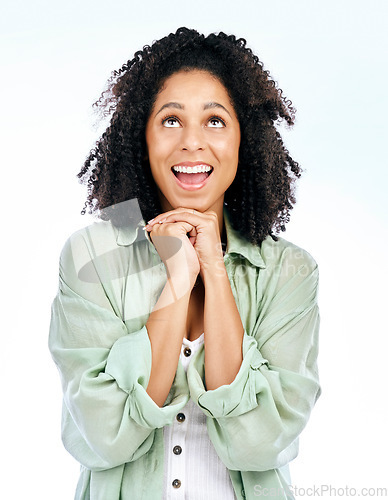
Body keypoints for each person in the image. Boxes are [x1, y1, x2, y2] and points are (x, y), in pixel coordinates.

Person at [49, 27, 321, 500]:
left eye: (215, 121)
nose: (192, 142)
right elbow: (103, 435)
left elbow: (260, 444)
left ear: (244, 139)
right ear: (142, 136)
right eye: (170, 120)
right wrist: (178, 276)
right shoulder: (91, 253)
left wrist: (213, 268)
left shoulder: (289, 270)